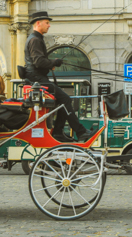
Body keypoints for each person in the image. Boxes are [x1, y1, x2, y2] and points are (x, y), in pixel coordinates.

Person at [24, 11, 96, 142]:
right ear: (38, 23)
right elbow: (38, 62)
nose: (49, 25)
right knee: (66, 99)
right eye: (47, 22)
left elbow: (38, 62)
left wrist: (50, 64)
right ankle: (78, 132)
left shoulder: (35, 38)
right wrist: (54, 62)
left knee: (63, 100)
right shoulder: (35, 40)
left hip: (38, 78)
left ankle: (58, 131)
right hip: (38, 80)